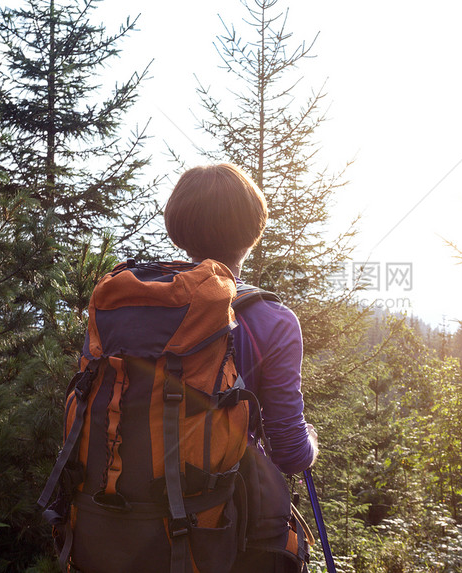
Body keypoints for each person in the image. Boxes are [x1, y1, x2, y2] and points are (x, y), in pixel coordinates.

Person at [163, 163, 318, 571]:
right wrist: (311, 443)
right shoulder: (273, 321)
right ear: (253, 233)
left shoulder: (142, 307)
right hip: (229, 530)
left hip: (132, 513)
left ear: (178, 228)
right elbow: (289, 453)